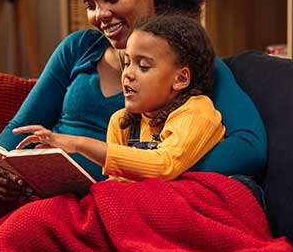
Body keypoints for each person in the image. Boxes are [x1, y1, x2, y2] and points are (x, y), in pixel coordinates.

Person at [0, 0, 267, 201]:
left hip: (113, 201)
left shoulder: (186, 63)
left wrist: (160, 177)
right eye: (90, 4)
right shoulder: (77, 48)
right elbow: (20, 125)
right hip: (43, 193)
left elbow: (249, 145)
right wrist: (0, 168)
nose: (101, 14)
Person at [14, 14, 224, 182]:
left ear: (181, 78)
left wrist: (78, 144)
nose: (128, 74)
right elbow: (118, 185)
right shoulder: (121, 121)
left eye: (143, 66)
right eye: (127, 63)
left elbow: (164, 165)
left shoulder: (197, 111)